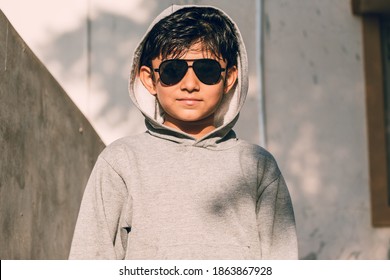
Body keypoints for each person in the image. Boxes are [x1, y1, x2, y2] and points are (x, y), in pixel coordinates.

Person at [69, 5, 298, 260]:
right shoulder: (121, 161)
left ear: (230, 77)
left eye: (207, 70)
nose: (190, 85)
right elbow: (90, 257)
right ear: (149, 78)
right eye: (173, 71)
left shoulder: (258, 166)